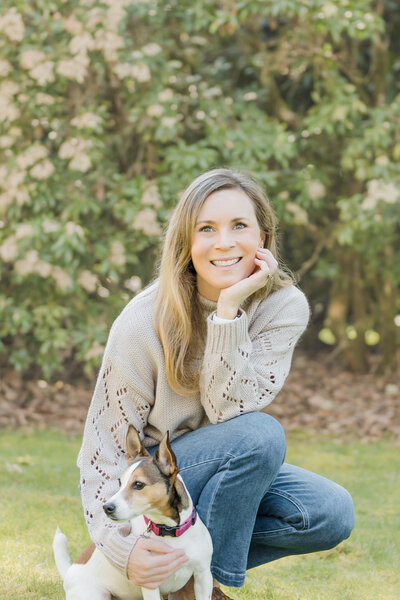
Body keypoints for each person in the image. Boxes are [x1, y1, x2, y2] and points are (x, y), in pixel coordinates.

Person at [77, 168, 355, 600]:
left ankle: (189, 575)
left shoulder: (284, 307)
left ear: (262, 236)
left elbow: (229, 411)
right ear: (186, 241)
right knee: (261, 436)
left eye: (239, 226)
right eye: (206, 228)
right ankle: (194, 586)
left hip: (230, 469)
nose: (224, 242)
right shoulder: (141, 321)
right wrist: (121, 547)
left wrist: (228, 312)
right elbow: (102, 451)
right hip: (157, 472)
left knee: (328, 512)